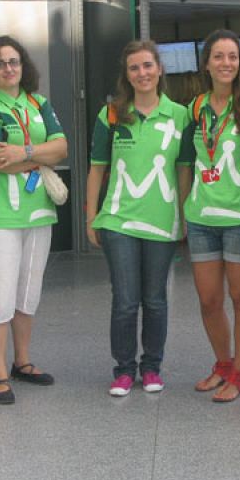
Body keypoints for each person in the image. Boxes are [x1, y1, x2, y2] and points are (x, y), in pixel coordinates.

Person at [85, 40, 189, 397]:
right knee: (126, 299)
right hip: (118, 221)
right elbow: (97, 170)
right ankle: (124, 369)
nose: (142, 73)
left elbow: (184, 171)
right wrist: (91, 217)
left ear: (159, 69)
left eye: (147, 66)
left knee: (156, 299)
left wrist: (185, 216)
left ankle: (152, 367)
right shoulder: (112, 114)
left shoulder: (180, 115)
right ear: (126, 75)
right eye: (134, 68)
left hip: (162, 221)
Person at [0, 35, 68, 404]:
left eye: (14, 61)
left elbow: (63, 147)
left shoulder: (39, 103)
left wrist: (26, 152)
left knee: (28, 292)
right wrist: (43, 157)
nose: (9, 68)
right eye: (1, 63)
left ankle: (21, 362)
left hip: (38, 211)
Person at [179, 30, 240, 402]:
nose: (226, 63)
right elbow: (187, 162)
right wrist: (184, 209)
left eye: (233, 57)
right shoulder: (195, 107)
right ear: (207, 63)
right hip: (202, 218)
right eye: (219, 56)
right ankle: (222, 364)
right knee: (209, 300)